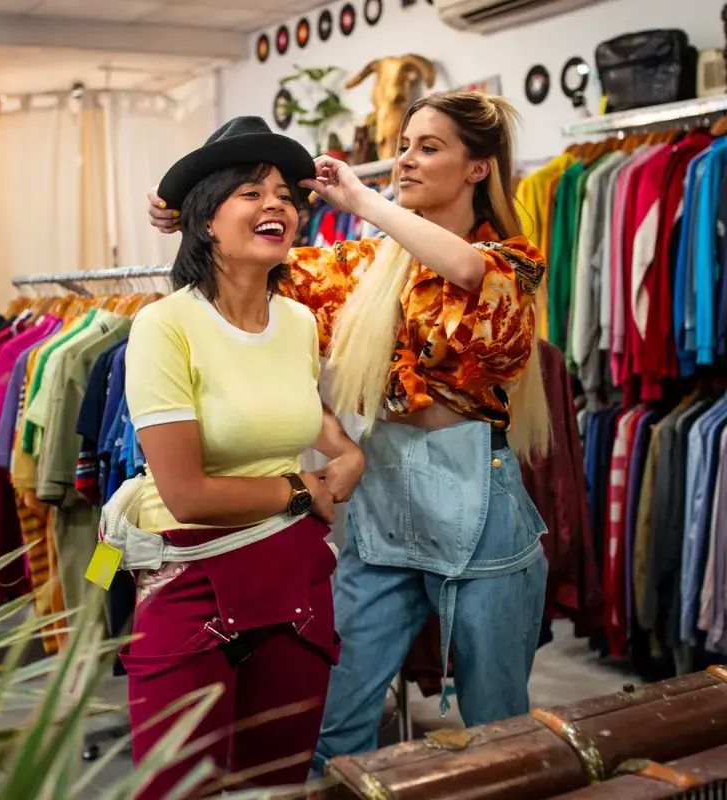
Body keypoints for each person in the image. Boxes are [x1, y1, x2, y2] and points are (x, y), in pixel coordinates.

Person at [148, 91, 552, 769]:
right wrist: (196, 209)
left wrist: (363, 202)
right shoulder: (366, 267)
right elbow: (251, 264)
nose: (407, 160)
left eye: (429, 147)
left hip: (481, 510)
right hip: (382, 506)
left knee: (498, 729)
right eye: (404, 145)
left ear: (478, 168)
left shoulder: (512, 262)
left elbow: (467, 272)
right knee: (334, 721)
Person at [120, 116, 366, 797]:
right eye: (252, 193)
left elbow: (293, 407)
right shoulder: (164, 327)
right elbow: (189, 491)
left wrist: (346, 454)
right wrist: (303, 490)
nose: (277, 205)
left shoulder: (298, 322)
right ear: (205, 222)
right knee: (178, 786)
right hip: (192, 577)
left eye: (285, 193)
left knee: (278, 783)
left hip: (295, 583)